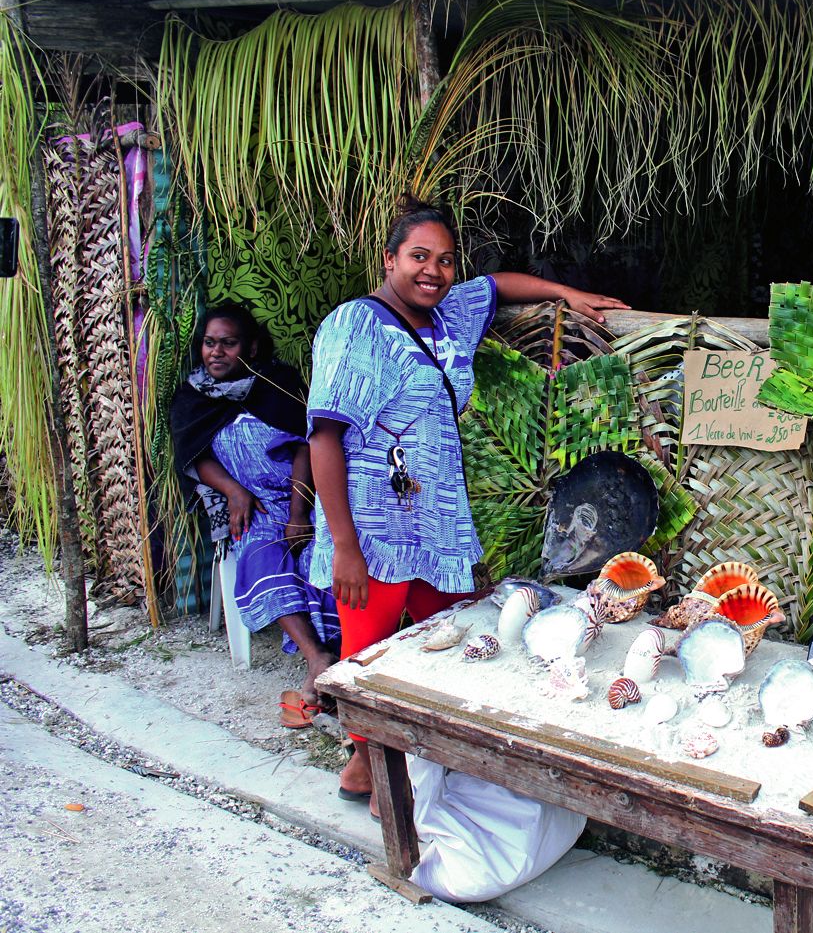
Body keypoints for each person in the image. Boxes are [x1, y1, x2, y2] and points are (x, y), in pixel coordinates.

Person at [307, 195, 628, 813]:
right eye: (418, 257)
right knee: (370, 651)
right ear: (389, 259)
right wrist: (345, 546)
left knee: (449, 639)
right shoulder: (355, 326)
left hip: (438, 519)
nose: (433, 271)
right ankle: (371, 764)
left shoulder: (449, 313)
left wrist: (566, 295)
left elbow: (498, 284)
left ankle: (423, 760)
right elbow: (324, 436)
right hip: (373, 524)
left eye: (445, 260)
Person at [171, 305, 340, 727]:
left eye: (229, 343)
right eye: (210, 343)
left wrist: (299, 510)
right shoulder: (193, 397)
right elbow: (196, 456)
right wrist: (234, 492)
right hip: (253, 504)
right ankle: (316, 657)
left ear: (249, 346)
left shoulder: (275, 383)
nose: (217, 352)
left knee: (319, 555)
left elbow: (307, 444)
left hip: (304, 497)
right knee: (262, 555)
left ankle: (342, 655)